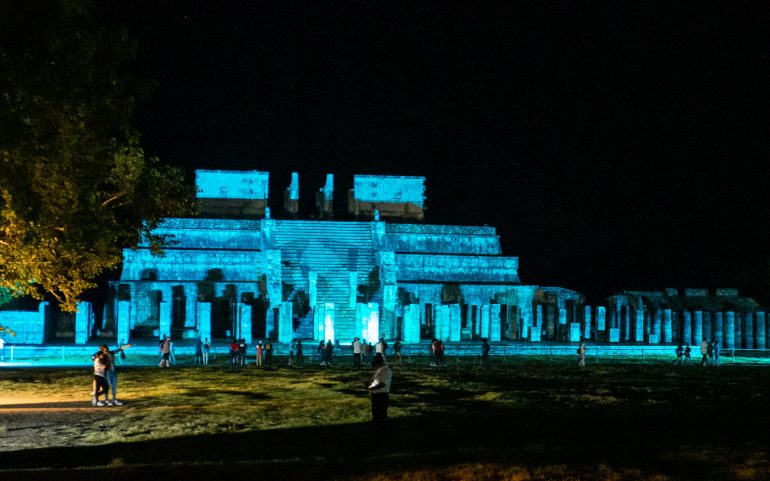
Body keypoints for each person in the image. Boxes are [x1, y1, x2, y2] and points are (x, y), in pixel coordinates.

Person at [368, 353, 392, 430]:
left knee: (381, 414)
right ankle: (377, 427)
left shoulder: (386, 371)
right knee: (375, 413)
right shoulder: (379, 370)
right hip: (375, 394)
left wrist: (372, 388)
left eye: (375, 365)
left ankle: (382, 429)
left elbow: (382, 384)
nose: (374, 367)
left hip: (381, 395)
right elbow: (375, 380)